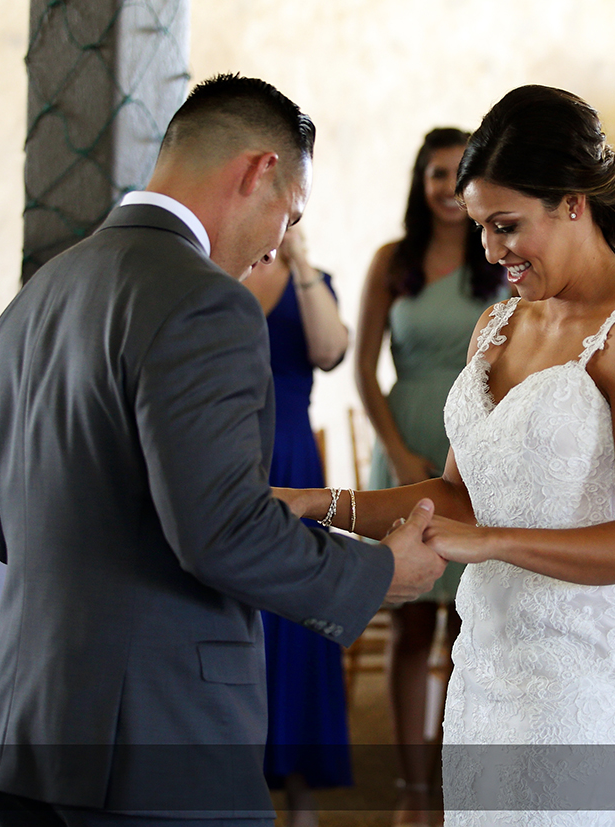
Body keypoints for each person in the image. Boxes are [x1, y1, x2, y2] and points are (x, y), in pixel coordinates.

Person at [279, 86, 615, 826]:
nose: (490, 249)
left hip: (592, 683)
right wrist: (318, 503)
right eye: (482, 226)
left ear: (573, 202)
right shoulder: (499, 320)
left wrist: (486, 545)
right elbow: (458, 493)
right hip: (487, 668)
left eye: (507, 225)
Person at [0, 74, 445, 824]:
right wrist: (380, 570)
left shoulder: (39, 293)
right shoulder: (203, 299)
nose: (275, 244)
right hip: (154, 735)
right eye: (288, 214)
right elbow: (221, 531)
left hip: (25, 730)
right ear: (258, 171)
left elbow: (4, 524)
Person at [354, 127, 506, 825]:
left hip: (476, 450)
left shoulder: (500, 262)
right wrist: (397, 451)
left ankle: (454, 775)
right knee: (412, 621)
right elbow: (363, 368)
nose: (446, 187)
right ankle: (412, 787)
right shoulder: (393, 260)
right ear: (419, 182)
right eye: (434, 173)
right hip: (408, 443)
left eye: (458, 174)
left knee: (467, 623)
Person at [244, 226, 350, 827]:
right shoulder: (214, 270)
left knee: (296, 614)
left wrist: (303, 261)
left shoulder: (314, 280)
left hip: (291, 457)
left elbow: (330, 351)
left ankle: (301, 795)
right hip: (229, 450)